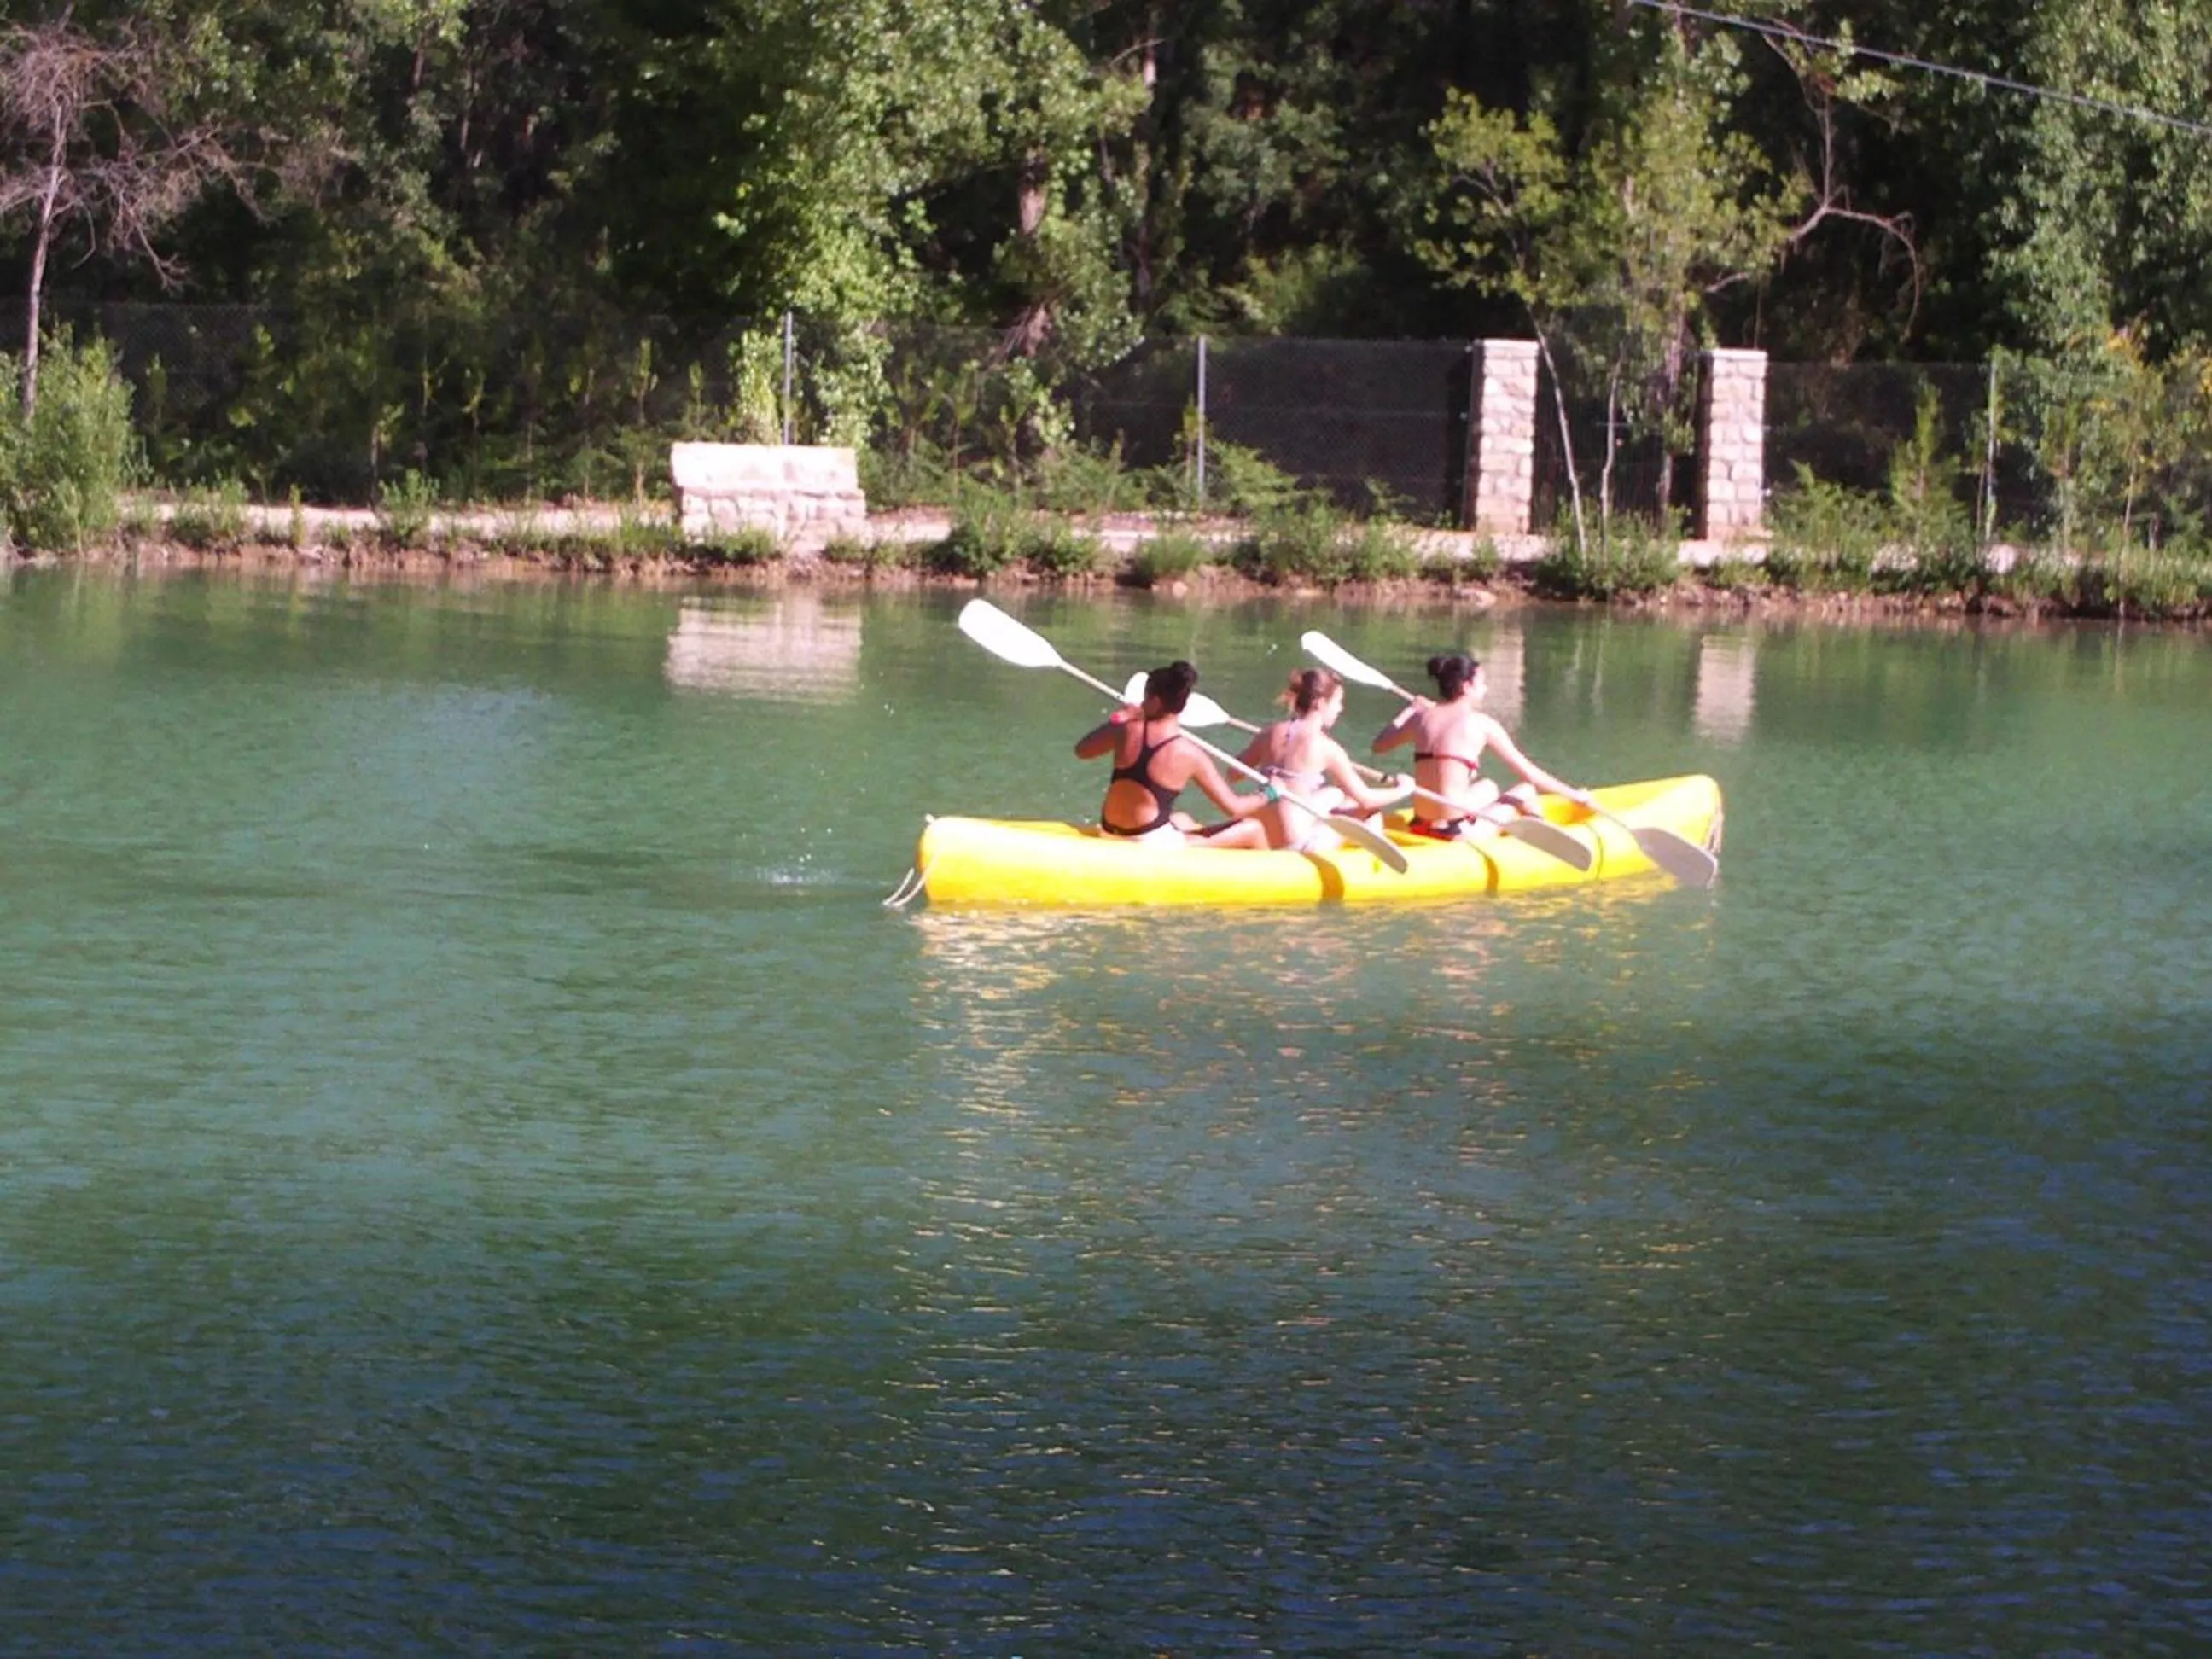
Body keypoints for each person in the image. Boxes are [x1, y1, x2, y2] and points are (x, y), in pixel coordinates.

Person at [1373, 651, 1592, 841]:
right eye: (1482, 683)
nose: (1486, 689)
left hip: (1419, 826)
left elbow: (1379, 746)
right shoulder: (1481, 724)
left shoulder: (1421, 718)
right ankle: (1542, 841)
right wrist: (1576, 796)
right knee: (1525, 791)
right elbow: (1530, 775)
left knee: (1488, 786)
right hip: (1457, 834)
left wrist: (1411, 710)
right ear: (1466, 686)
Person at [1203, 667, 1412, 852]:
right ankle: (1371, 868)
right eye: (1338, 702)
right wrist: (1404, 789)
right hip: (1296, 843)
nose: (1341, 709)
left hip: (1266, 831)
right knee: (1370, 811)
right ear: (1321, 703)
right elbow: (1366, 798)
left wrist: (1272, 758)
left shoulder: (1270, 733)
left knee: (1336, 794)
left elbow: (1233, 774)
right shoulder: (1327, 748)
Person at [1073, 660, 1267, 845]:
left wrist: (1121, 718)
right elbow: (1234, 808)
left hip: (1109, 833)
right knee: (1253, 827)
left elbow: (1082, 750)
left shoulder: (1125, 729)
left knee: (1181, 819)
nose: (1140, 703)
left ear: (1155, 701)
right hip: (1147, 844)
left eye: (1145, 697)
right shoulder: (1190, 753)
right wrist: (1268, 794)